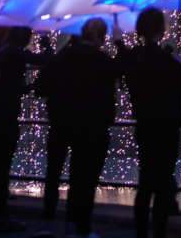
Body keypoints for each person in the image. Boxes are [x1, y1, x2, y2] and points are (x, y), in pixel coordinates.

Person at [0, 25, 47, 233]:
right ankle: (0, 217)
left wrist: (21, 87)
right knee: (0, 168)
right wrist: (45, 38)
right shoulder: (13, 52)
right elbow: (46, 59)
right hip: (4, 117)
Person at [120, 12, 181, 238]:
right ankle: (159, 232)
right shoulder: (165, 60)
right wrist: (178, 64)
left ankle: (141, 233)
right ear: (160, 29)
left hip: (145, 124)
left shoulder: (135, 59)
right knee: (161, 186)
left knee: (145, 183)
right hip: (166, 126)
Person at [59, 18, 122, 238]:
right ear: (97, 36)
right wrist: (120, 42)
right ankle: (83, 229)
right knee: (89, 179)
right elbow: (120, 68)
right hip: (96, 123)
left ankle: (71, 226)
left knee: (76, 176)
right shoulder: (98, 59)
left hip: (74, 121)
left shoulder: (69, 56)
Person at [32, 33, 77, 236]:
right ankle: (73, 224)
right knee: (78, 175)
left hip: (58, 121)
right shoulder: (91, 61)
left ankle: (48, 222)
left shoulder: (57, 60)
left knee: (53, 174)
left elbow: (39, 89)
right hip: (81, 123)